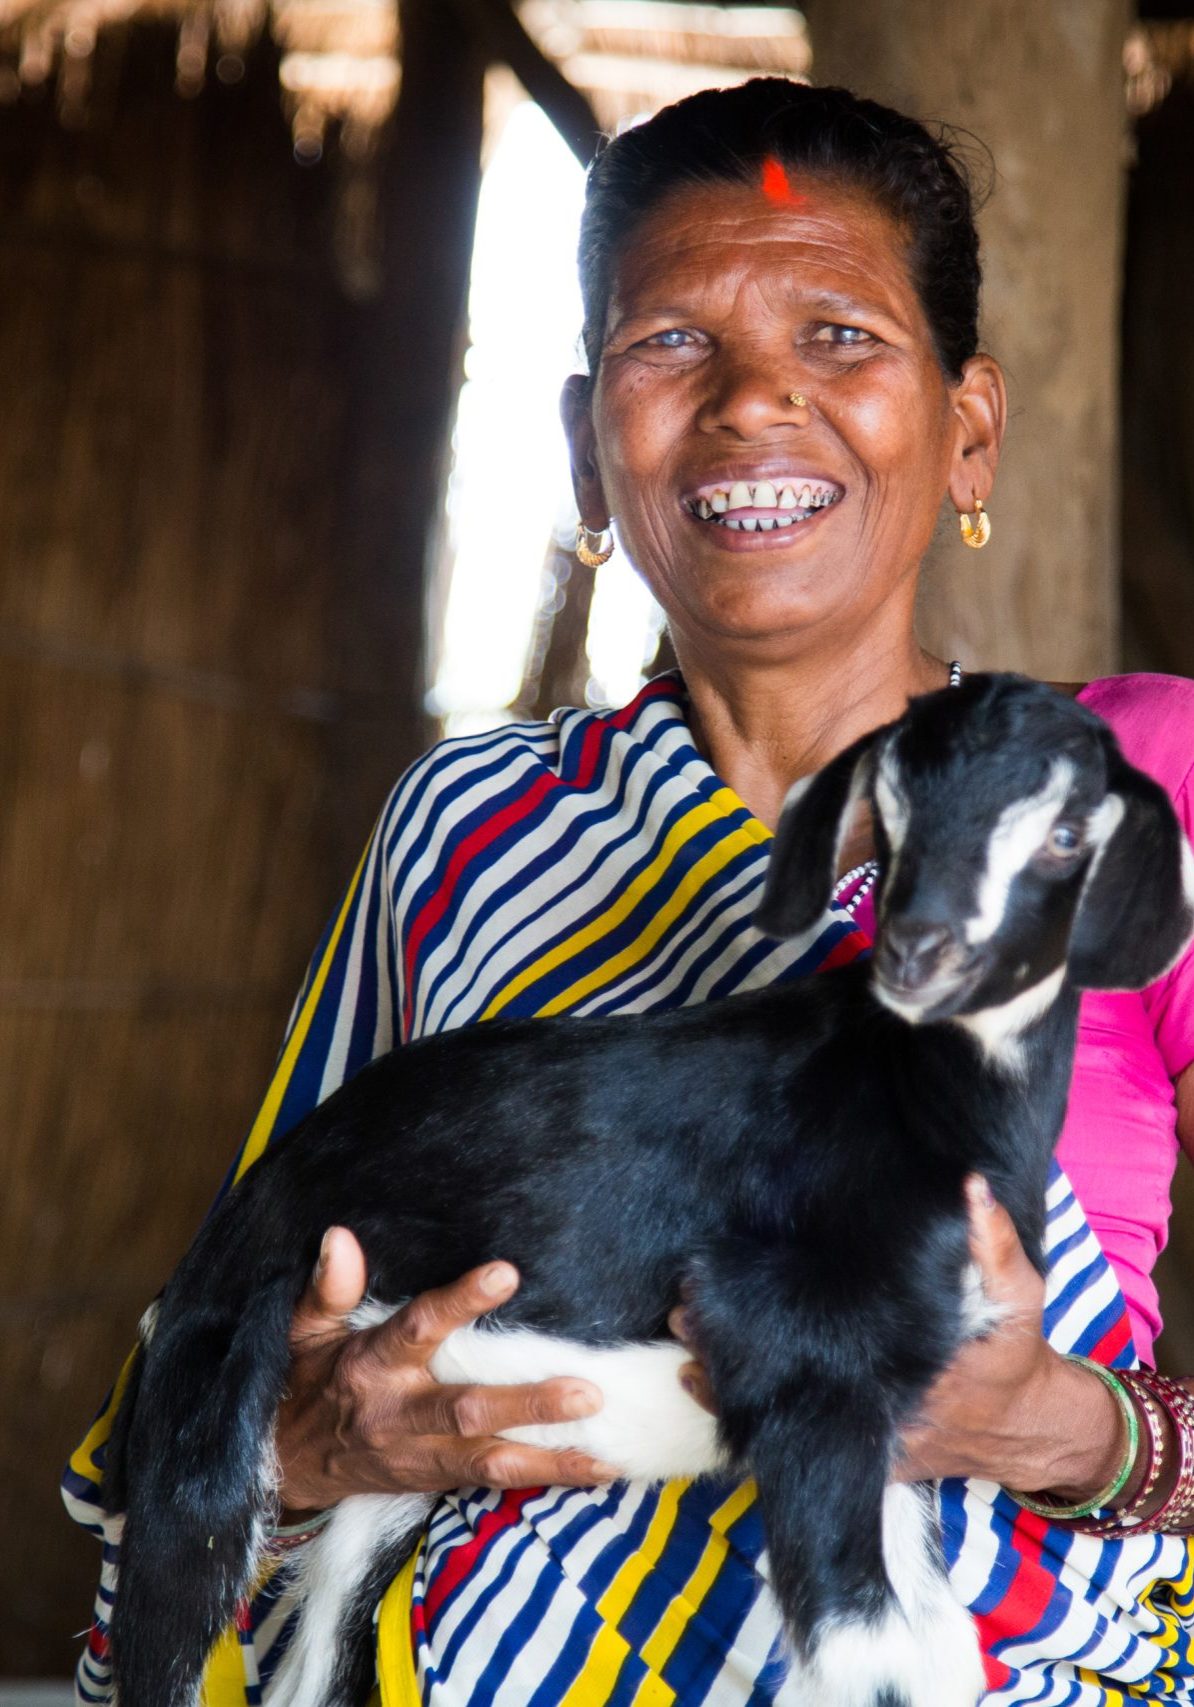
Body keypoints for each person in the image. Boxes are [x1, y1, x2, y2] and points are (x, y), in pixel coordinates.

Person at [65, 78, 1194, 1705]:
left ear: (966, 429)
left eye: (840, 337)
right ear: (587, 453)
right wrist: (312, 1449)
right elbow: (234, 1325)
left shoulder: (1134, 793)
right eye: (673, 344)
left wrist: (1066, 1428)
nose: (750, 401)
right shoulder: (468, 827)